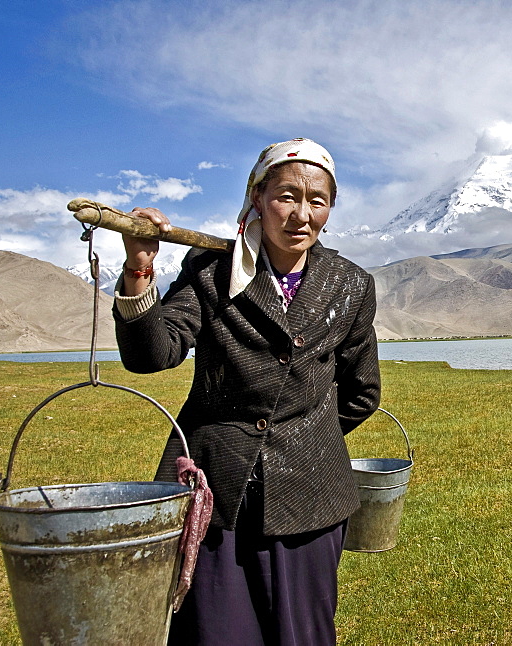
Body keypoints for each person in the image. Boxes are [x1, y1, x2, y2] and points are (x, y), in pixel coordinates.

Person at [113, 138, 381, 645]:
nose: (301, 214)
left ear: (329, 208)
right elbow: (151, 355)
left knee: (302, 634)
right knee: (216, 633)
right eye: (286, 195)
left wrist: (306, 438)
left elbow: (362, 392)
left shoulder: (350, 285)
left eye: (316, 200)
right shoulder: (211, 271)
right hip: (216, 497)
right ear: (257, 198)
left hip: (310, 498)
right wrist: (139, 268)